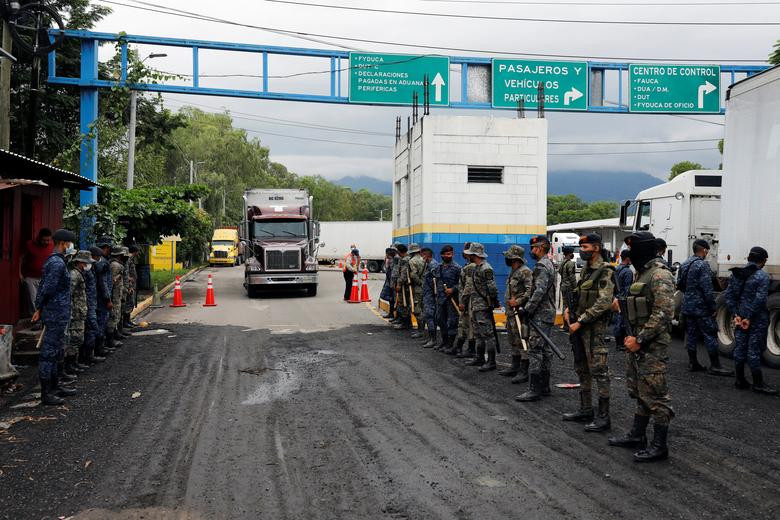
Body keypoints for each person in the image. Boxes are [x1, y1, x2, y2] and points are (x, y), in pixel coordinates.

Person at [608, 231, 675, 463]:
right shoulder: (642, 272)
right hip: (636, 341)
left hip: (651, 345)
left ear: (645, 250)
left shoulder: (659, 274)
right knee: (640, 391)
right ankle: (637, 435)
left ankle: (660, 445)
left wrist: (640, 339)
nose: (630, 253)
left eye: (633, 248)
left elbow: (664, 313)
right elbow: (642, 304)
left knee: (657, 395)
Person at [563, 234, 616, 432]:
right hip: (580, 327)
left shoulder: (605, 270)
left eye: (585, 247)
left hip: (594, 329)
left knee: (599, 371)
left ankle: (604, 417)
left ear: (596, 247)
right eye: (581, 247)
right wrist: (569, 310)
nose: (582, 250)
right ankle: (586, 409)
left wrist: (581, 320)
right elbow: (580, 293)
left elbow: (604, 302)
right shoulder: (586, 269)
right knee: (582, 368)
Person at [31, 229, 77, 406]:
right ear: (64, 243)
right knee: (49, 353)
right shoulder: (56, 263)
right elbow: (47, 288)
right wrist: (39, 307)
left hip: (59, 313)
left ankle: (55, 386)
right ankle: (46, 393)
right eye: (70, 243)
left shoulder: (58, 261)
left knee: (57, 351)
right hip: (54, 314)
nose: (71, 246)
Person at [724, 247, 777, 395]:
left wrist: (736, 314)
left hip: (740, 317)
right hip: (755, 319)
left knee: (740, 348)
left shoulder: (736, 274)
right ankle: (758, 384)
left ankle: (740, 380)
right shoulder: (762, 276)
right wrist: (749, 317)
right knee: (754, 350)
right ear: (763, 261)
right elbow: (760, 299)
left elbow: (729, 296)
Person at [678, 240, 732, 376]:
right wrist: (713, 307)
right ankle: (715, 366)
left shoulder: (685, 264)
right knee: (710, 334)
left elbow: (680, 285)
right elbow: (707, 289)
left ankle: (693, 362)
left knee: (691, 334)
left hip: (688, 306)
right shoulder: (702, 265)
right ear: (705, 250)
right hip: (701, 308)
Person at [460, 243, 499, 371]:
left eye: (470, 254)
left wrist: (492, 302)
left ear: (475, 255)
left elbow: (492, 288)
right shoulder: (476, 267)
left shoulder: (485, 268)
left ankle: (491, 361)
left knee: (487, 333)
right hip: (476, 305)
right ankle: (480, 357)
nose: (468, 256)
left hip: (483, 306)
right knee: (478, 333)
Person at [499, 245, 533, 383]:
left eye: (508, 257)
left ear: (515, 258)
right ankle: (515, 366)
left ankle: (524, 370)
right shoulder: (513, 271)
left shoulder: (525, 272)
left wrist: (518, 301)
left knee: (522, 340)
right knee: (513, 339)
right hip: (511, 312)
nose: (506, 259)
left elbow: (530, 291)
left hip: (519, 312)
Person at [64, 251, 95, 376]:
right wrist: (71, 312)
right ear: (81, 263)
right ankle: (70, 365)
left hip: (80, 312)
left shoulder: (79, 274)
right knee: (74, 339)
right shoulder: (74, 275)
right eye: (86, 263)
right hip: (75, 313)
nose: (88, 266)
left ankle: (74, 363)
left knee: (78, 339)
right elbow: (68, 295)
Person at [20, 228, 54, 318]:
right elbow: (21, 257)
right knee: (33, 299)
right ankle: (35, 319)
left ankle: (42, 318)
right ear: (39, 238)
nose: (46, 242)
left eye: (48, 240)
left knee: (44, 299)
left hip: (45, 278)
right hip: (31, 277)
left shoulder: (52, 245)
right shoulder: (29, 244)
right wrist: (19, 273)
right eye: (44, 240)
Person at [435, 245, 462, 355]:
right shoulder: (439, 267)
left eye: (450, 254)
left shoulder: (457, 268)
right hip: (441, 298)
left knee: (452, 321)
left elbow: (462, 284)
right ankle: (444, 341)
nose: (448, 256)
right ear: (442, 255)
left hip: (452, 299)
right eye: (446, 254)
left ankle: (450, 344)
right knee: (440, 320)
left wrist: (453, 289)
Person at [454, 243, 476, 359]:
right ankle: (461, 347)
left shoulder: (471, 267)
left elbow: (468, 286)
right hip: (467, 300)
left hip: (469, 301)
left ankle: (470, 349)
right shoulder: (468, 265)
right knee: (464, 324)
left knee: (468, 324)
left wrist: (463, 301)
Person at [85, 247, 106, 364]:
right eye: (97, 257)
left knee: (92, 328)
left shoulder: (92, 268)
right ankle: (88, 357)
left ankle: (91, 355)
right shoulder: (84, 271)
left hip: (92, 302)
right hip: (85, 304)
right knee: (91, 328)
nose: (98, 260)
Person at [94, 240, 115, 356]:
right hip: (102, 299)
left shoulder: (100, 261)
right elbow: (103, 283)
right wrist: (108, 299)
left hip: (97, 297)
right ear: (105, 248)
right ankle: (99, 349)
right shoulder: (102, 262)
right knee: (102, 321)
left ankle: (101, 346)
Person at [613, 250, 633, 352]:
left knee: (617, 320)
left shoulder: (617, 269)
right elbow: (627, 289)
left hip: (615, 298)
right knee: (623, 321)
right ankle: (621, 343)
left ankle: (618, 343)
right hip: (623, 299)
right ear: (628, 258)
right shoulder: (628, 272)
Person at [108, 246, 128, 347]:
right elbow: (112, 281)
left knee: (117, 315)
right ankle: (110, 340)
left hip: (118, 294)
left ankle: (116, 334)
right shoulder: (115, 265)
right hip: (114, 295)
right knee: (113, 316)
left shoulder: (118, 264)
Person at [421, 248, 440, 348]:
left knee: (430, 316)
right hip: (427, 295)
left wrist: (435, 295)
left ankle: (433, 339)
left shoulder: (433, 265)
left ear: (426, 255)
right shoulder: (428, 264)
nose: (421, 257)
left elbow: (436, 282)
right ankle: (430, 338)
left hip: (431, 296)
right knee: (428, 316)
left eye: (422, 255)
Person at [407, 244, 425, 339]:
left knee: (417, 309)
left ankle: (420, 331)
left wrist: (419, 282)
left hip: (418, 287)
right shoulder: (423, 259)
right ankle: (423, 329)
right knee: (423, 308)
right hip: (425, 287)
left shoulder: (412, 261)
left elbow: (413, 275)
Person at [393, 244, 412, 330]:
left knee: (404, 304)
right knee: (404, 304)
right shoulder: (407, 258)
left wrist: (399, 284)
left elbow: (403, 273)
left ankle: (406, 323)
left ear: (399, 251)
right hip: (405, 284)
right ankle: (404, 322)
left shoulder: (405, 260)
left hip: (404, 286)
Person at [123, 244, 140, 328]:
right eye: (137, 251)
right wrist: (129, 286)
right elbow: (126, 273)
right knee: (129, 303)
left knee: (130, 303)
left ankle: (128, 320)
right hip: (129, 285)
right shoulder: (128, 259)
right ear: (135, 251)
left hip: (132, 284)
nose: (138, 253)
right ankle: (125, 322)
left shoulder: (131, 259)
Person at [558, 246, 577, 316]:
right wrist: (576, 287)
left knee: (565, 304)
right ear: (569, 254)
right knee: (570, 304)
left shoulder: (562, 263)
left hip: (563, 285)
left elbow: (560, 272)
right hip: (569, 287)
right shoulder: (570, 263)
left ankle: (564, 317)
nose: (572, 254)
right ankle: (568, 318)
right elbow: (572, 277)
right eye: (572, 253)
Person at [380, 246, 397, 319]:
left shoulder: (393, 261)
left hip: (393, 283)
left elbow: (394, 274)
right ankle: (391, 313)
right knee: (386, 296)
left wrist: (393, 284)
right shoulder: (388, 260)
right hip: (389, 282)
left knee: (393, 299)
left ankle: (393, 314)